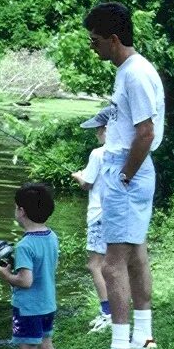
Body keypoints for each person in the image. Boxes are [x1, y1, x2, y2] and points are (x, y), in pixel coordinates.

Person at [78, 2, 165, 349]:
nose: (92, 47)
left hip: (125, 173)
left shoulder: (135, 74)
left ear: (114, 39)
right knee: (136, 255)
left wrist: (124, 176)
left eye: (95, 41)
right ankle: (143, 337)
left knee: (112, 263)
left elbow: (145, 133)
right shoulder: (128, 71)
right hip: (126, 171)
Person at [0, 182, 65, 349]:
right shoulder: (51, 236)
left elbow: (25, 281)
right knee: (47, 345)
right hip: (47, 304)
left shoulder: (25, 245)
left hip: (28, 309)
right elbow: (46, 268)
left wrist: (7, 275)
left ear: (21, 211)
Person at [71, 105, 116, 333]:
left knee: (95, 265)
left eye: (98, 129)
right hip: (118, 215)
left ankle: (107, 313)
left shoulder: (98, 154)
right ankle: (115, 310)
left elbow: (87, 183)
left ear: (108, 129)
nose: (96, 133)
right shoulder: (126, 151)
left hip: (99, 216)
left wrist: (78, 176)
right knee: (113, 264)